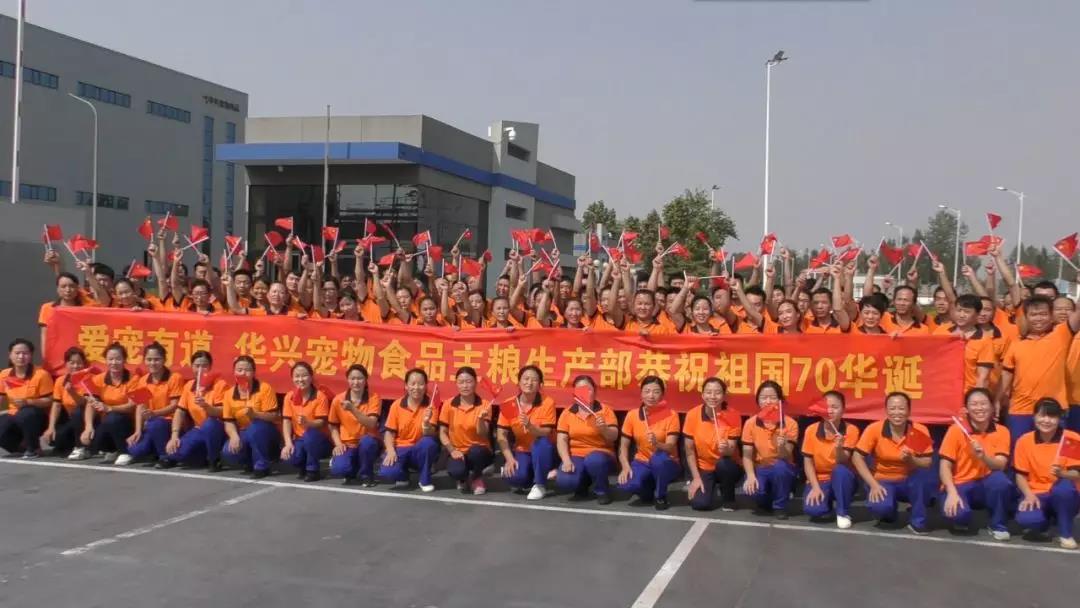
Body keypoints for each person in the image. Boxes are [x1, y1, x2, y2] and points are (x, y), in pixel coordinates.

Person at [999, 295, 1080, 442]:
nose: (1038, 319)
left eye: (1043, 314)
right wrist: (996, 402)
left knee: (1054, 454)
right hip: (1021, 410)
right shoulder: (1016, 344)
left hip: (1054, 409)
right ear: (1026, 317)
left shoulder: (1061, 335)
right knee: (1019, 451)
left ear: (1051, 316)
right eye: (1033, 314)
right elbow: (1005, 379)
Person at [852, 392, 934, 534]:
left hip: (909, 479)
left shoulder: (919, 430)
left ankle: (918, 521)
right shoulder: (874, 429)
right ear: (886, 410)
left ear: (909, 411)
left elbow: (927, 462)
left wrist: (912, 459)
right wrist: (873, 484)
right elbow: (856, 457)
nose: (897, 413)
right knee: (881, 508)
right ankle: (889, 512)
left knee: (922, 479)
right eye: (892, 408)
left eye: (901, 408)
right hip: (882, 479)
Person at [938, 388, 1013, 541]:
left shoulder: (1002, 431)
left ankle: (997, 524)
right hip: (960, 484)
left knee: (1001, 481)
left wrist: (983, 457)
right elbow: (944, 466)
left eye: (984, 404)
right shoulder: (955, 430)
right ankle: (960, 517)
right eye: (974, 404)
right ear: (966, 409)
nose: (979, 408)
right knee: (959, 515)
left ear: (992, 407)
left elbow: (1000, 465)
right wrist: (951, 492)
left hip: (985, 483)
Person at [1014, 398, 1080, 550]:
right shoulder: (1024, 441)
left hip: (1065, 493)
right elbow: (1020, 475)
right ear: (1034, 417)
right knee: (1028, 520)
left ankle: (1065, 533)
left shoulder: (1071, 438)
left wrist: (1062, 473)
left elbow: (1077, 474)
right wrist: (1028, 495)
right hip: (1037, 493)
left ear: (1059, 419)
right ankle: (1045, 524)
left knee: (1064, 489)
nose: (1046, 420)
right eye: (1042, 415)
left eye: (1052, 416)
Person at [617, 376, 682, 510]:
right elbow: (623, 446)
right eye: (647, 391)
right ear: (641, 394)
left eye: (656, 392)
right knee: (627, 484)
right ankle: (650, 487)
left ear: (662, 395)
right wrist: (625, 466)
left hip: (666, 461)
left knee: (659, 459)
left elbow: (670, 447)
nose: (651, 396)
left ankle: (660, 496)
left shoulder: (671, 415)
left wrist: (657, 444)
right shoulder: (632, 415)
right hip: (642, 461)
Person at [554, 375, 618, 504]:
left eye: (588, 389)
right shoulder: (567, 413)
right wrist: (566, 460)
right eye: (580, 390)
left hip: (601, 454)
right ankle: (583, 483)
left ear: (595, 391)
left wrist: (604, 429)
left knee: (594, 461)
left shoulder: (605, 411)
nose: (584, 393)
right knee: (565, 482)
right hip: (576, 455)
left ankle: (602, 490)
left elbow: (614, 436)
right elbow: (561, 440)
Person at [497, 365, 558, 500]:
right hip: (523, 450)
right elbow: (501, 435)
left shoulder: (547, 402)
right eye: (525, 379)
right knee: (515, 477)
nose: (529, 383)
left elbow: (546, 432)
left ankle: (540, 484)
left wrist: (530, 426)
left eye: (534, 380)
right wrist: (509, 458)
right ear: (519, 382)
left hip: (545, 450)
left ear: (540, 385)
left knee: (541, 443)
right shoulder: (510, 404)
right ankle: (531, 476)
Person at [801, 391, 860, 529]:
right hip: (820, 479)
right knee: (813, 510)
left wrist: (839, 448)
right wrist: (815, 487)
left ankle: (842, 512)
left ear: (843, 410)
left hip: (842, 477)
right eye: (826, 407)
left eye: (835, 407)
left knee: (840, 470)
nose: (830, 411)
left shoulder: (851, 430)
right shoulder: (811, 430)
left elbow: (843, 460)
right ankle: (826, 503)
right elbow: (808, 462)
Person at [683, 377, 743, 511]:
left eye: (717, 392)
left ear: (724, 395)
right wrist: (696, 478)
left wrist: (726, 448)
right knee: (700, 504)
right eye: (708, 392)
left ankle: (729, 498)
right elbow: (689, 451)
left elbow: (731, 450)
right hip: (705, 467)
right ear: (702, 395)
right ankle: (708, 486)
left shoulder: (733, 415)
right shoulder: (692, 415)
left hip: (728, 465)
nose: (712, 396)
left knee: (724, 464)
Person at [741, 381, 799, 518]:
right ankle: (766, 499)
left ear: (780, 400)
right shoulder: (750, 423)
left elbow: (786, 456)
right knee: (755, 491)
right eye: (764, 398)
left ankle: (780, 506)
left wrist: (781, 446)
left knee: (781, 468)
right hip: (761, 467)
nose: (768, 401)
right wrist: (750, 476)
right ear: (758, 401)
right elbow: (747, 455)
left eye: (773, 397)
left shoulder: (790, 423)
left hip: (782, 466)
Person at [166, 351, 229, 470]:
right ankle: (202, 456)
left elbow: (222, 412)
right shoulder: (189, 386)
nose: (200, 369)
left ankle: (214, 459)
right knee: (175, 453)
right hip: (199, 429)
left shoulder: (220, 384)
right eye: (197, 366)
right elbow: (180, 411)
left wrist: (206, 407)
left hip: (218, 428)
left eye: (204, 366)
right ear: (192, 367)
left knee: (210, 424)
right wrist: (174, 436)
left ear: (210, 367)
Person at [380, 368, 441, 491]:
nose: (416, 387)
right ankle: (403, 476)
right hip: (400, 448)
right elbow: (389, 432)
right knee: (387, 472)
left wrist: (426, 423)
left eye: (421, 384)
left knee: (428, 443)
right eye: (412, 384)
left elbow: (430, 433)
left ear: (426, 386)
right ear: (406, 386)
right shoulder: (396, 405)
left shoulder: (431, 406)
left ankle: (424, 479)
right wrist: (390, 450)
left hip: (419, 449)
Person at [124, 342, 184, 467]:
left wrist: (155, 413)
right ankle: (154, 450)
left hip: (169, 422)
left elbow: (174, 405)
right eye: (149, 359)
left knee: (156, 424)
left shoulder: (174, 378)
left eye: (157, 359)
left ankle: (166, 456)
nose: (152, 363)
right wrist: (138, 431)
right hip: (151, 423)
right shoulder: (143, 380)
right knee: (135, 450)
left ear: (164, 360)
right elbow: (140, 406)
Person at [221, 356, 281, 478]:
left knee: (256, 427)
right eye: (239, 370)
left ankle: (262, 466)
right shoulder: (229, 394)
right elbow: (228, 421)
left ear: (254, 372)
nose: (243, 373)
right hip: (244, 431)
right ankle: (248, 461)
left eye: (247, 370)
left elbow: (273, 416)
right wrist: (234, 436)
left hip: (265, 430)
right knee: (228, 452)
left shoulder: (265, 388)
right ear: (234, 372)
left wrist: (255, 414)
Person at [438, 367, 493, 495]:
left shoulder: (485, 405)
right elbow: (442, 432)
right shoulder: (448, 404)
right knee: (456, 471)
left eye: (469, 381)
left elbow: (483, 434)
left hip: (479, 450)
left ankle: (477, 478)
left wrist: (480, 420)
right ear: (456, 383)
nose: (465, 386)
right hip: (457, 450)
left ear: (475, 383)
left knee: (476, 452)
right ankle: (463, 478)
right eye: (461, 382)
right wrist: (452, 450)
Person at [81, 343, 138, 464]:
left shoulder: (134, 378)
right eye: (110, 359)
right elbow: (91, 404)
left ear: (124, 360)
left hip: (128, 422)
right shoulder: (98, 379)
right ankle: (112, 450)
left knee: (113, 418)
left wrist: (110, 408)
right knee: (93, 441)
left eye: (118, 359)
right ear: (105, 360)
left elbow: (132, 406)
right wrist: (88, 427)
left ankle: (125, 452)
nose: (114, 362)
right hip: (107, 421)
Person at [329, 364, 383, 487]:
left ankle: (366, 475)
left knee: (367, 442)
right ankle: (351, 470)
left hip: (368, 442)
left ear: (366, 380)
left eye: (360, 378)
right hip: (347, 444)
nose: (356, 382)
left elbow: (371, 423)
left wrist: (352, 409)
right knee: (339, 469)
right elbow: (333, 426)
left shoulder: (374, 397)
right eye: (352, 378)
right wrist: (338, 444)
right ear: (347, 380)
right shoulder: (338, 400)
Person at [0, 339, 55, 458]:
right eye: (17, 353)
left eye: (25, 353)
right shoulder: (4, 374)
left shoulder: (41, 374)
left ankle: (33, 448)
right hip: (14, 415)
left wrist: (28, 402)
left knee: (26, 414)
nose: (21, 357)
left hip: (37, 417)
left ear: (31, 355)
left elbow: (50, 400)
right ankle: (23, 448)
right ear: (10, 355)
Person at [934, 294, 995, 394]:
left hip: (967, 394)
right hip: (941, 392)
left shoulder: (984, 341)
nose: (961, 315)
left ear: (977, 314)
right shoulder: (940, 332)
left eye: (967, 312)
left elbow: (982, 378)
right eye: (959, 310)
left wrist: (974, 398)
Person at [281, 362, 331, 482]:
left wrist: (308, 423)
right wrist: (288, 443)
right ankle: (302, 465)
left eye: (304, 376)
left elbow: (321, 422)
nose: (300, 379)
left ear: (311, 377)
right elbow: (286, 421)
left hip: (318, 439)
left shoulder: (320, 396)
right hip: (299, 439)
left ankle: (313, 470)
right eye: (297, 376)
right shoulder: (289, 396)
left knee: (310, 435)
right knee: (290, 457)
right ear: (292, 378)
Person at [44, 347, 91, 458]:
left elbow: (83, 404)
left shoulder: (90, 379)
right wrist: (51, 427)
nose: (75, 366)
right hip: (71, 418)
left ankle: (81, 448)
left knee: (78, 412)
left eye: (79, 363)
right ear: (66, 363)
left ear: (84, 364)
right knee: (57, 438)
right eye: (72, 363)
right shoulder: (60, 380)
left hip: (87, 418)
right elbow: (56, 405)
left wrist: (72, 392)